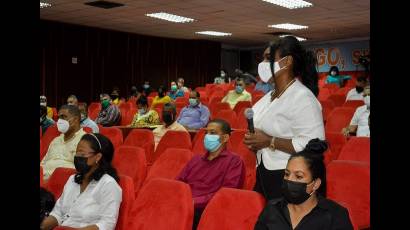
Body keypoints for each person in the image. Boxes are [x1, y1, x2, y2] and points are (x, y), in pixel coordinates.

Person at [243, 36, 325, 200]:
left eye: (268, 58)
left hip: (290, 177)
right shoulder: (269, 96)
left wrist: (268, 141)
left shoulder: (303, 98)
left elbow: (314, 145)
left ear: (287, 62)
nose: (263, 64)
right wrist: (255, 142)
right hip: (264, 170)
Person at [254, 139, 353, 230]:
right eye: (287, 174)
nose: (289, 180)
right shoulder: (272, 209)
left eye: (299, 176)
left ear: (315, 184)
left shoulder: (335, 215)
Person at [40, 133, 122, 230]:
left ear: (98, 157)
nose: (77, 157)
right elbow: (58, 213)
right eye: (76, 153)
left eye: (82, 154)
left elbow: (107, 225)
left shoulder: (108, 185)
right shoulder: (72, 180)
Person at [176, 119, 245, 230]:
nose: (207, 136)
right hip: (183, 204)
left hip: (207, 211)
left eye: (212, 133)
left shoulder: (234, 161)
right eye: (206, 133)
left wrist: (193, 202)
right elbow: (179, 181)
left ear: (225, 138)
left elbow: (226, 194)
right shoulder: (196, 159)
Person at [41, 105, 87, 180]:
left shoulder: (84, 140)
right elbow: (43, 163)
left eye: (63, 117)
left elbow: (80, 171)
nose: (59, 121)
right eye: (59, 117)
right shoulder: (56, 140)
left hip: (61, 183)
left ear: (76, 119)